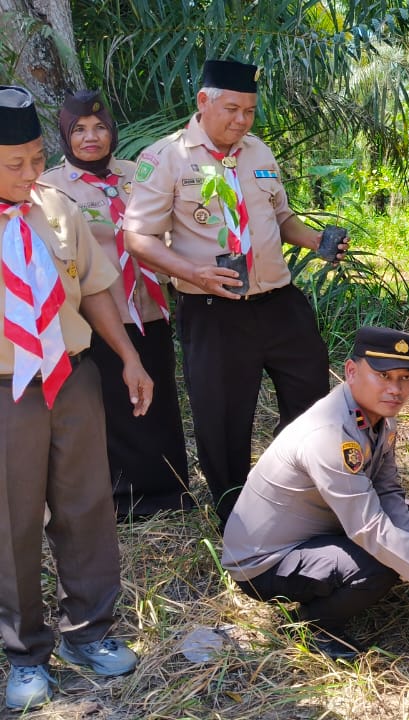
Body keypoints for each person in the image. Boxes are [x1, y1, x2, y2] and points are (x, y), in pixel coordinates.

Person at [123, 59, 348, 529]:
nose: (242, 120)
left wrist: (317, 241)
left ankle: (300, 494)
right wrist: (193, 272)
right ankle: (237, 517)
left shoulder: (258, 151)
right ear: (203, 102)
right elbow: (138, 237)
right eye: (232, 109)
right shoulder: (166, 158)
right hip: (213, 310)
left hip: (279, 302)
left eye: (249, 110)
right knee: (223, 418)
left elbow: (281, 219)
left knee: (311, 397)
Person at [221, 327, 409, 658]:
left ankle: (356, 584)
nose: (395, 389)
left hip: (322, 529)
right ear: (351, 371)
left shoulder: (379, 415)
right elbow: (367, 528)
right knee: (381, 562)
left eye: (405, 378)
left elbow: (387, 489)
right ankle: (314, 627)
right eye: (383, 375)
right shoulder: (328, 434)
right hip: (267, 562)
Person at [0, 85, 154, 711]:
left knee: (87, 506)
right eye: (16, 163)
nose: (31, 173)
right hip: (6, 390)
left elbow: (92, 290)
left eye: (39, 158)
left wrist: (130, 358)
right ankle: (25, 652)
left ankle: (89, 631)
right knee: (11, 521)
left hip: (71, 376)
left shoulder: (57, 208)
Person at [41, 89, 192, 519]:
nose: (91, 137)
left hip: (150, 309)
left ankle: (170, 490)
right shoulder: (49, 188)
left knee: (158, 399)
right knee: (113, 404)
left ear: (112, 131)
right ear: (65, 136)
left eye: (99, 127)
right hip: (98, 314)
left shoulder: (138, 175)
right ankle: (122, 498)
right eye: (79, 130)